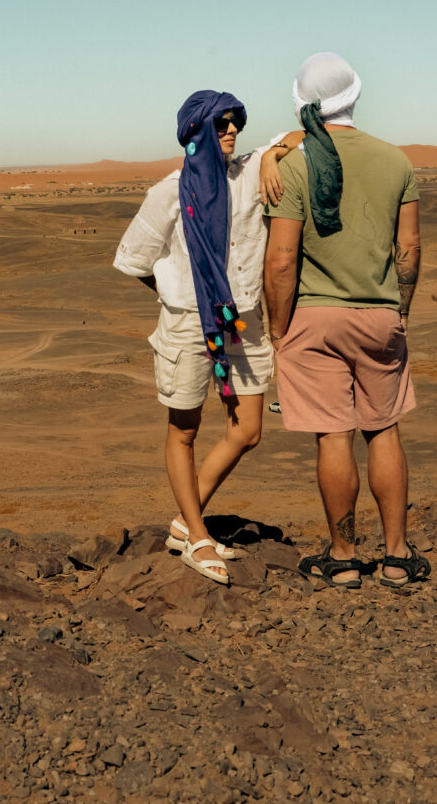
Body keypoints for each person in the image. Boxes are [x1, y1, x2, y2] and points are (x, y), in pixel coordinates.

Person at [114, 90, 299, 586]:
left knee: (248, 430)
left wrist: (275, 156)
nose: (232, 132)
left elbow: (300, 136)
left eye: (236, 122)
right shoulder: (169, 192)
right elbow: (132, 258)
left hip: (242, 321)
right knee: (185, 431)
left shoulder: (250, 172)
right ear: (196, 133)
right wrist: (181, 289)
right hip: (189, 324)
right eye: (221, 125)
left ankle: (184, 517)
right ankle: (197, 534)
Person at [263, 52, 430, 590]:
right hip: (378, 314)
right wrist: (398, 311)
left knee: (333, 437)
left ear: (303, 103)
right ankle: (398, 556)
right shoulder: (396, 161)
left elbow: (282, 259)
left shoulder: (293, 165)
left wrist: (278, 331)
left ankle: (342, 559)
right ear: (356, 94)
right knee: (383, 430)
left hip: (312, 319)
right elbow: (409, 247)